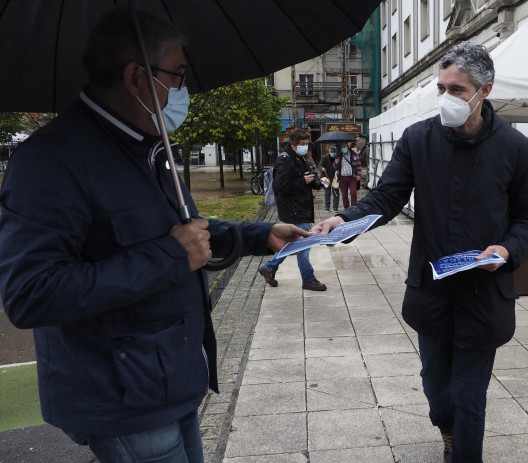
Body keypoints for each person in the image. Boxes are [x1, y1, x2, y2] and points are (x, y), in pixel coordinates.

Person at [0, 10, 310, 463]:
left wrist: (260, 235)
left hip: (169, 377)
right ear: (135, 77)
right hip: (123, 396)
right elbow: (31, 294)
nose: (182, 91)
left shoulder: (147, 148)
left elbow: (188, 234)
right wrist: (169, 256)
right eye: (177, 76)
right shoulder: (53, 161)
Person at [313, 42, 528, 463]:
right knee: (437, 389)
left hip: (484, 292)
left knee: (470, 397)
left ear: (484, 90)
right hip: (432, 292)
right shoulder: (418, 139)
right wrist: (343, 220)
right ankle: (446, 429)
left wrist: (508, 249)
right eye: (441, 88)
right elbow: (385, 198)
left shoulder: (513, 146)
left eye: (457, 89)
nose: (446, 98)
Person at [257, 129, 327, 291]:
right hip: (292, 209)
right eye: (302, 144)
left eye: (307, 144)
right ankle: (308, 279)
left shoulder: (301, 158)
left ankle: (269, 267)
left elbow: (309, 176)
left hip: (301, 207)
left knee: (293, 244)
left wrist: (319, 182)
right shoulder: (284, 160)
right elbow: (282, 186)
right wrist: (303, 180)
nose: (305, 147)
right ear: (292, 144)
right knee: (303, 244)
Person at [334, 140, 362, 209]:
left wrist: (359, 174)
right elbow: (334, 168)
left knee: (353, 193)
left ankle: (353, 207)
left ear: (347, 146)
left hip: (352, 177)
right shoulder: (339, 156)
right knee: (344, 194)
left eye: (344, 146)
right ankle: (346, 208)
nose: (343, 148)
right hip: (343, 178)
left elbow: (358, 165)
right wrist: (336, 163)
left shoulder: (354, 155)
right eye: (342, 147)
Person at [318, 145, 340, 212]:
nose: (333, 153)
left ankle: (335, 207)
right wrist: (322, 168)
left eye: (334, 152)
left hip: (334, 178)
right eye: (332, 151)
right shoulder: (325, 157)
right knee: (327, 193)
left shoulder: (337, 158)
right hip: (326, 177)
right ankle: (327, 207)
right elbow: (319, 165)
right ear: (329, 152)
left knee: (336, 193)